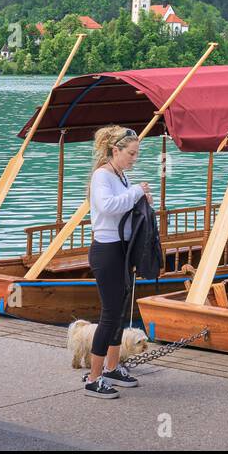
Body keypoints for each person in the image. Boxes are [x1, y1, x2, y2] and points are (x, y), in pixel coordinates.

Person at [84, 125, 150, 398]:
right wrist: (136, 192)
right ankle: (93, 377)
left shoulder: (120, 175)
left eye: (136, 154)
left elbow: (123, 205)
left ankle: (111, 367)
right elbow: (108, 206)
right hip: (106, 249)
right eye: (131, 154)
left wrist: (139, 197)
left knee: (119, 311)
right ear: (115, 151)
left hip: (120, 249)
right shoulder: (102, 176)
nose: (134, 158)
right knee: (109, 314)